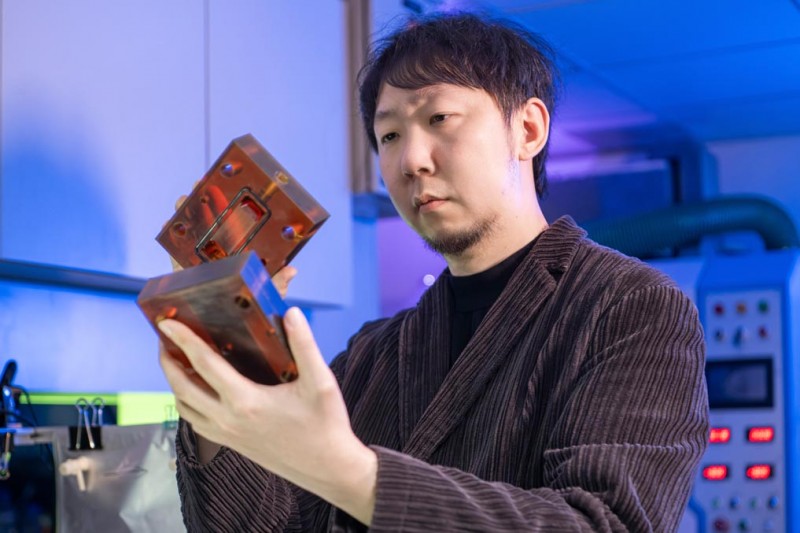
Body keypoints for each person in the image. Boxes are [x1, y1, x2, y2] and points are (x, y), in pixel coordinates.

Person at [158, 12, 709, 532]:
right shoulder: (375, 352)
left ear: (528, 129)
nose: (410, 161)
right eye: (389, 136)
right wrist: (229, 340)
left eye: (439, 118)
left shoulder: (633, 308)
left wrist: (348, 470)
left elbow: (600, 524)